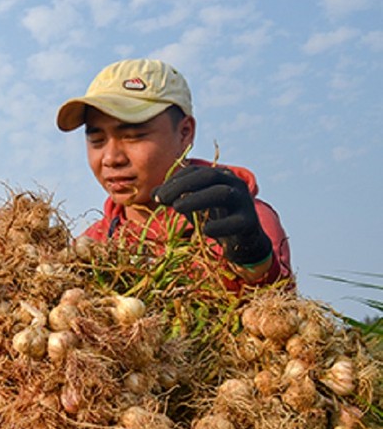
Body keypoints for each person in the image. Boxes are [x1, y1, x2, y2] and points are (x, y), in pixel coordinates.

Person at [57, 58, 291, 285]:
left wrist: (255, 261)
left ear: (185, 133)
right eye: (97, 140)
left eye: (133, 136)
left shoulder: (238, 222)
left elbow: (275, 302)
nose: (111, 158)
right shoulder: (91, 245)